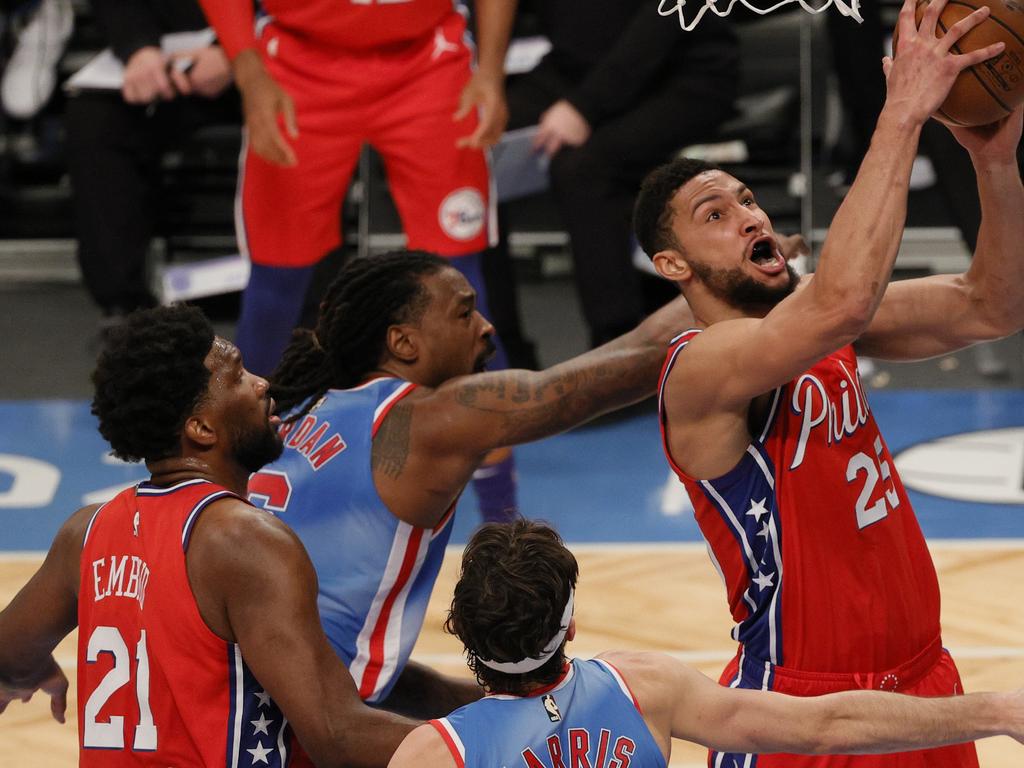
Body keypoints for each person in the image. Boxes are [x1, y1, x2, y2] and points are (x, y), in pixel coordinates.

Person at [633, 0, 1024, 764]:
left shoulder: (814, 317)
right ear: (674, 267)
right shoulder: (701, 367)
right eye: (715, 215)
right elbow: (842, 301)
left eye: (748, 200)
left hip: (921, 693)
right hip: (797, 710)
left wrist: (994, 164)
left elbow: (994, 305)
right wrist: (903, 113)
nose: (750, 218)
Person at [245, 249, 695, 717]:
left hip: (235, 698)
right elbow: (603, 379)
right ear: (404, 343)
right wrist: (742, 292)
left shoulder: (294, 412)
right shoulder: (421, 419)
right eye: (464, 312)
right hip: (298, 731)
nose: (486, 326)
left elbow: (351, 660)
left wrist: (505, 711)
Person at [0, 305, 416, 766]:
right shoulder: (245, 540)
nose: (262, 383)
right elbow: (336, 735)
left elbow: (9, 652)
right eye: (238, 377)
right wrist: (477, 741)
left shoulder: (84, 533)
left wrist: (29, 667)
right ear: (200, 428)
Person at [388, 520, 1024, 768]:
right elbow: (830, 723)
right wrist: (999, 711)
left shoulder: (431, 754)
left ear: (459, 629)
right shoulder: (643, 686)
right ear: (572, 625)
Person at [485, 0, 738, 353]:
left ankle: (618, 348)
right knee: (473, 157)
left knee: (584, 169)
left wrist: (585, 106)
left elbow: (664, 21)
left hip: (682, 69)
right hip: (572, 68)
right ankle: (496, 348)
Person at [65, 0, 239, 323]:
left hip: (267, 57)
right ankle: (125, 309)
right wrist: (138, 47)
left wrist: (236, 51)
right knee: (94, 118)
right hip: (167, 56)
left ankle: (300, 288)